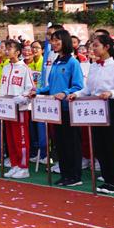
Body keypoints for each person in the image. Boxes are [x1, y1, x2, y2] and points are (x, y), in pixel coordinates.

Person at [70, 35, 114, 194]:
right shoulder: (94, 66)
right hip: (96, 108)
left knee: (113, 144)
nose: (93, 49)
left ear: (107, 47)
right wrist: (77, 94)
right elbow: (88, 90)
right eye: (92, 46)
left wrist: (110, 93)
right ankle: (106, 178)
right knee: (99, 144)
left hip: (111, 106)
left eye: (96, 46)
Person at [33, 29, 84, 186]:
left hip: (68, 109)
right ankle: (65, 173)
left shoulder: (72, 62)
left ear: (65, 42)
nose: (53, 43)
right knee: (60, 144)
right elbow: (51, 86)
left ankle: (75, 176)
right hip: (55, 109)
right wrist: (37, 91)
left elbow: (79, 86)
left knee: (71, 143)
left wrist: (65, 92)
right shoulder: (56, 61)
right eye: (52, 40)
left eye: (57, 41)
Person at [0, 39, 34, 179]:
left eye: (9, 48)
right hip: (7, 109)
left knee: (21, 139)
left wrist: (22, 97)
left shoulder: (25, 69)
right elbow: (3, 87)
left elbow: (31, 89)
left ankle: (24, 167)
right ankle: (15, 164)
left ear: (18, 52)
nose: (6, 51)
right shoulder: (5, 67)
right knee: (10, 138)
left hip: (21, 109)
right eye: (5, 48)